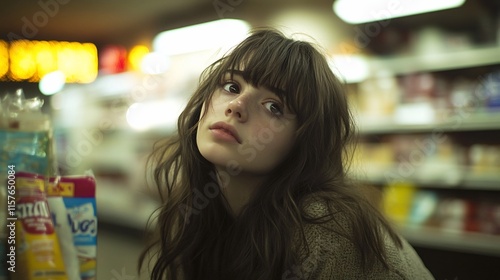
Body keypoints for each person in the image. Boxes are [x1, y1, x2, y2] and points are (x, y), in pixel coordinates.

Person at [139, 28, 434, 280]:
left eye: (274, 107)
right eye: (231, 86)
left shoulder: (326, 232)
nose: (236, 106)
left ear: (304, 142)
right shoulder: (201, 205)